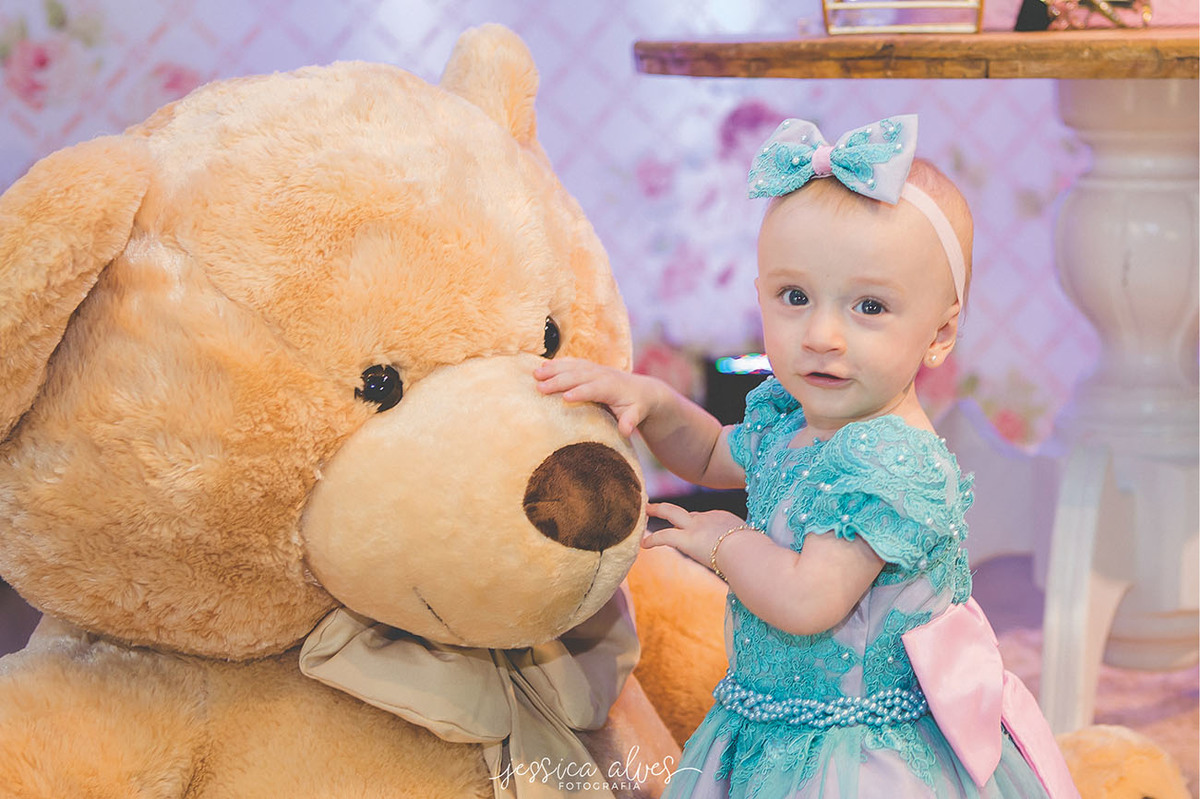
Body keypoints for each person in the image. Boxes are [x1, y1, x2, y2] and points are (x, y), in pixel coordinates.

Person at [535, 115, 1079, 798]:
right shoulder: (791, 418)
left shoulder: (890, 464)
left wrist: (724, 541)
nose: (822, 334)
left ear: (939, 334)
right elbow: (712, 452)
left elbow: (808, 598)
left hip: (858, 750)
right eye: (795, 297)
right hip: (772, 716)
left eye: (869, 307)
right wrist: (656, 404)